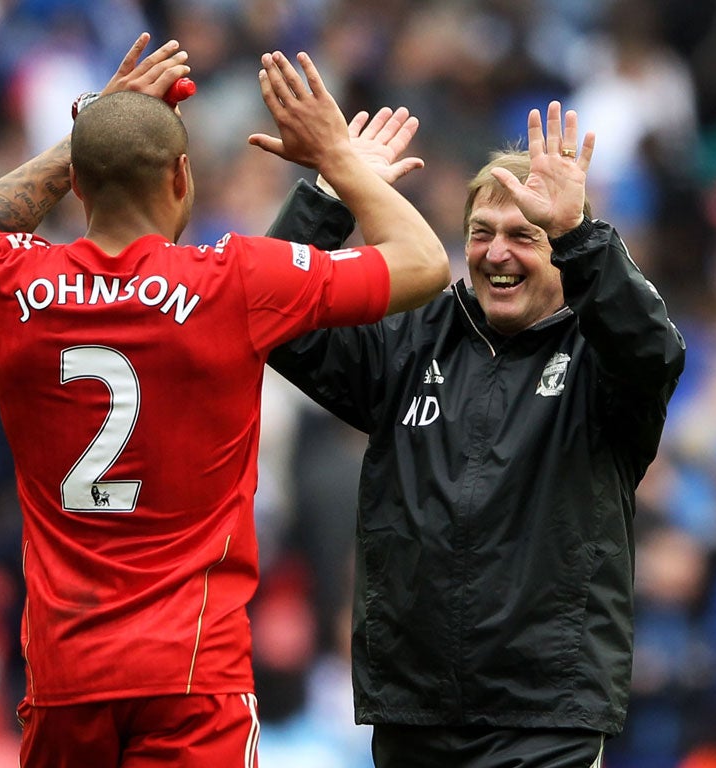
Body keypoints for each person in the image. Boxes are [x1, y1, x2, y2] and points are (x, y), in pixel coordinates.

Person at [0, 33, 450, 768]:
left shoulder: (10, 285)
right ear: (182, 177)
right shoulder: (232, 280)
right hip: (191, 674)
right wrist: (338, 159)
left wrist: (90, 124)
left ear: (79, 185)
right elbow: (424, 264)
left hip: (64, 675)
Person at [262, 101, 687, 767]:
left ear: (563, 250)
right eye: (481, 232)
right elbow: (277, 320)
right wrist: (331, 193)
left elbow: (652, 349)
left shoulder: (602, 364)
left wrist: (580, 234)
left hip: (544, 719)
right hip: (413, 711)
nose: (496, 253)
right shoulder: (408, 341)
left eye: (525, 235)